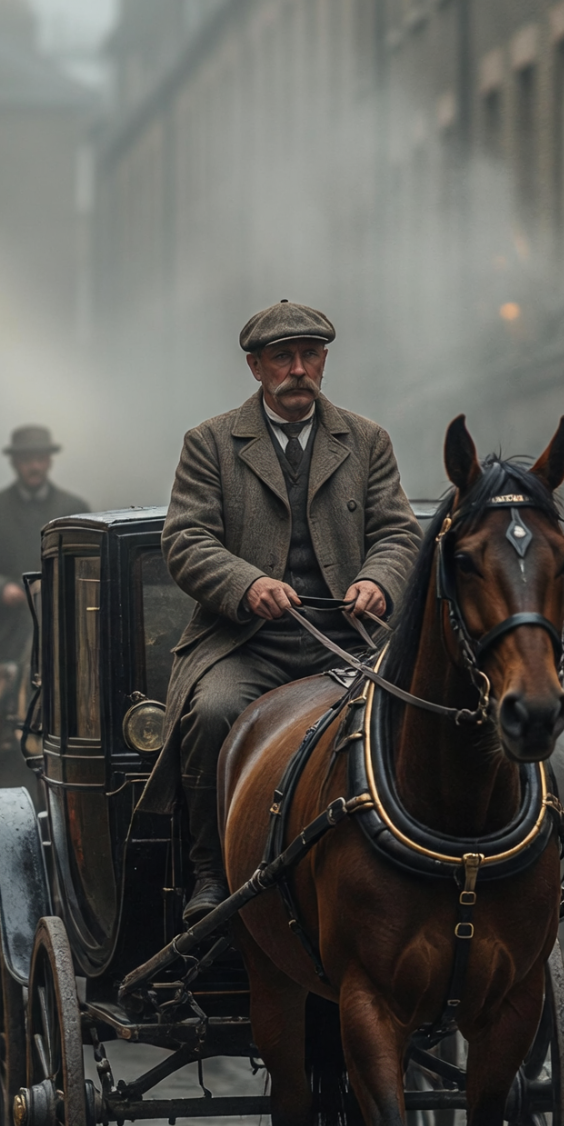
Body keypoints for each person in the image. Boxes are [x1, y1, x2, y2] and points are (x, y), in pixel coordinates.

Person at [140, 300, 421, 922]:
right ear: (256, 367)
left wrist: (377, 580)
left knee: (417, 714)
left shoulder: (367, 440)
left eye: (310, 356)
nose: (298, 370)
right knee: (212, 712)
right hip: (247, 644)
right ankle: (212, 874)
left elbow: (399, 533)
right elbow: (185, 539)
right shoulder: (210, 443)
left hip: (349, 641)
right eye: (283, 358)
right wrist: (247, 584)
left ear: (324, 361)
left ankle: (408, 863)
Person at [0, 424, 87, 686]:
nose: (34, 466)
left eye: (40, 459)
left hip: (64, 628)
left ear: (49, 461)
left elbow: (89, 568)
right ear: (14, 463)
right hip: (2, 630)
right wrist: (3, 589)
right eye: (26, 460)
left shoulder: (74, 509)